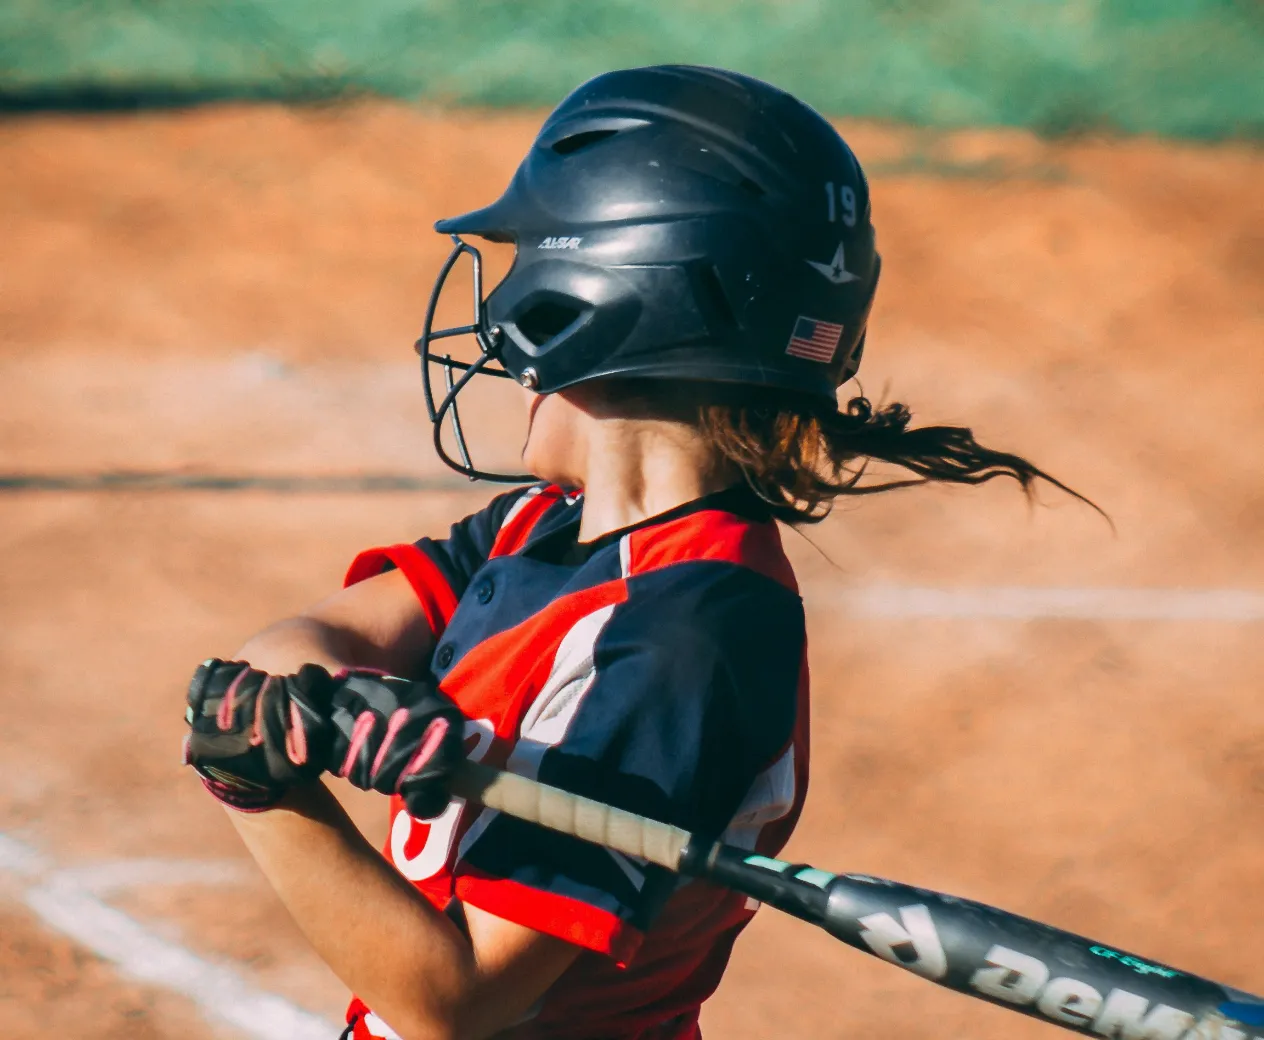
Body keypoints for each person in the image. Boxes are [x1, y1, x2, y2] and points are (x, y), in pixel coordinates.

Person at [182, 65, 1092, 1040]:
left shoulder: (678, 640)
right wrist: (325, 698)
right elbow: (306, 637)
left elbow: (456, 1000)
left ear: (600, 298)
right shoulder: (548, 525)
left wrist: (262, 790)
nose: (498, 316)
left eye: (524, 263)